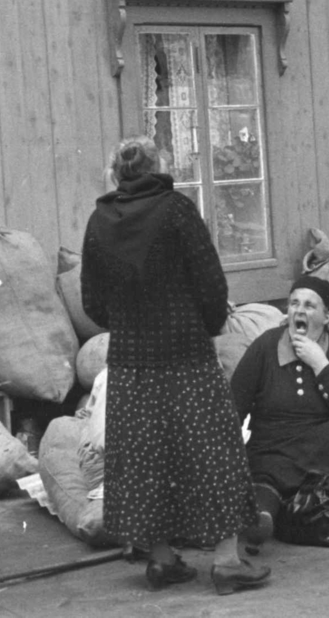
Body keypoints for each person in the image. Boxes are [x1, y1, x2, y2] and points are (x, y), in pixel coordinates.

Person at [80, 137, 269, 596]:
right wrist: (204, 325)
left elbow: (92, 302)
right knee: (214, 455)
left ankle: (162, 560)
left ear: (117, 172)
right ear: (158, 166)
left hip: (130, 361)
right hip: (185, 356)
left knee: (145, 460)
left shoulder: (99, 221)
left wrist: (128, 324)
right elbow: (211, 285)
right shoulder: (176, 210)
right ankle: (226, 563)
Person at [230, 276, 329, 547]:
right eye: (294, 304)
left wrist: (320, 364)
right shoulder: (266, 346)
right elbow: (235, 404)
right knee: (266, 473)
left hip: (321, 444)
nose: (299, 311)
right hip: (273, 445)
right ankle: (261, 519)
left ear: (326, 317)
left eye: (309, 306)